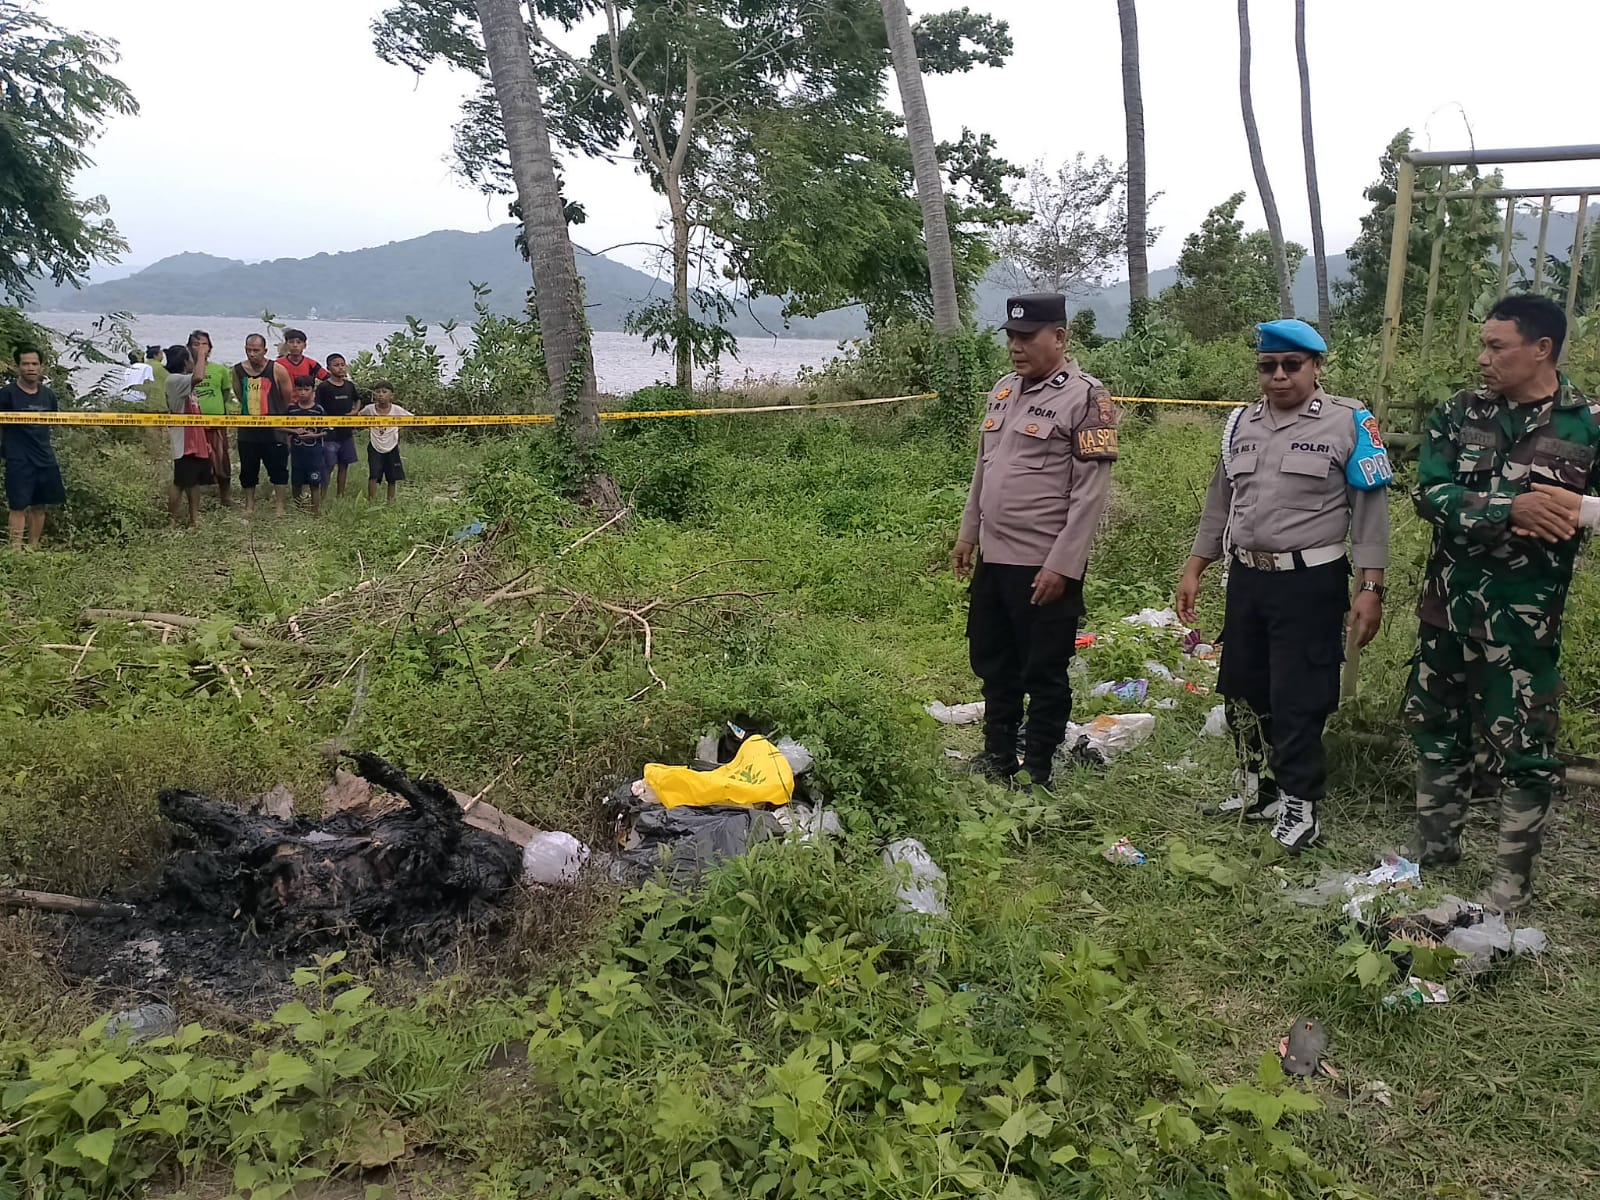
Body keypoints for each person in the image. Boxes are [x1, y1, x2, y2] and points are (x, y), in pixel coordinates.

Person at [1405, 294, 1600, 912]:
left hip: (1524, 622)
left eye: (1497, 347)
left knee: (1526, 748)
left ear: (1540, 348)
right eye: (1482, 345)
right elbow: (1428, 492)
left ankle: (1510, 881)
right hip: (1448, 606)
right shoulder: (1460, 413)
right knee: (1436, 728)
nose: (1483, 358)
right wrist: (1505, 507)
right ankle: (1432, 851)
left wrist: (1580, 509)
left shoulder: (1587, 424)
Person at [1176, 320, 1392, 852]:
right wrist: (1196, 563)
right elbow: (1220, 502)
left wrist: (1371, 585)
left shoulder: (1349, 423)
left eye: (1291, 365)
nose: (1278, 376)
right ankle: (1256, 787)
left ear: (1317, 367)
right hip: (1248, 577)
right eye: (1268, 366)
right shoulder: (1241, 425)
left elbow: (1370, 511)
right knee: (1242, 688)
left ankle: (1300, 803)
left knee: (1298, 697)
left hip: (1310, 581)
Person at [951, 294, 1119, 790]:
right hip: (995, 557)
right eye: (1011, 337)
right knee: (993, 658)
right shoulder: (1003, 392)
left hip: (1044, 562)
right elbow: (984, 471)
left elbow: (1090, 495)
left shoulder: (1087, 398)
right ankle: (998, 752)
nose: (1016, 347)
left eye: (1027, 338)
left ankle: (1038, 765)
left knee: (1044, 669)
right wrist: (968, 533)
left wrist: (1063, 566)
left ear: (1060, 338)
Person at [0, 346, 65, 549]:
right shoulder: (7, 394)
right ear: (16, 366)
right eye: (25, 364)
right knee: (18, 506)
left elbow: (52, 423)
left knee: (40, 506)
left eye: (34, 364)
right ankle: (15, 551)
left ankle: (33, 547)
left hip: (45, 457)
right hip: (18, 458)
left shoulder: (48, 395)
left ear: (41, 367)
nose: (30, 368)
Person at [234, 334, 295, 517]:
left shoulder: (277, 369)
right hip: (248, 430)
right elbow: (239, 394)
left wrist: (276, 416)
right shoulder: (238, 370)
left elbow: (287, 397)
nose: (252, 354)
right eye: (248, 350)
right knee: (248, 469)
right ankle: (249, 506)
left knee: (278, 468)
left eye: (256, 350)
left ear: (265, 351)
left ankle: (280, 506)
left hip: (274, 430)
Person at [163, 346, 213, 529]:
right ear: (185, 361)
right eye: (191, 359)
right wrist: (201, 353)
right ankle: (171, 521)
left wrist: (205, 441)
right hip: (184, 441)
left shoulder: (184, 382)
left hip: (195, 440)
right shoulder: (175, 380)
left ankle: (194, 519)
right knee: (180, 482)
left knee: (194, 483)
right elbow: (199, 376)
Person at [187, 330, 235, 506]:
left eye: (204, 344)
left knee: (221, 460)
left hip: (216, 421)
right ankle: (196, 502)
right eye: (196, 344)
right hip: (192, 424)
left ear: (210, 347)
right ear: (189, 347)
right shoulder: (185, 372)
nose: (200, 348)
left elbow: (225, 393)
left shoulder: (219, 370)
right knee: (194, 461)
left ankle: (225, 497)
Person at [315, 353, 360, 500]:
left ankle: (340, 495)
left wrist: (354, 412)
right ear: (328, 368)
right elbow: (317, 407)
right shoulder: (324, 387)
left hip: (346, 434)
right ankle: (322, 496)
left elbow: (357, 400)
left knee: (344, 465)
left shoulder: (349, 386)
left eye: (342, 364)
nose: (340, 368)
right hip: (329, 435)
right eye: (336, 365)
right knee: (328, 466)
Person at [359, 381, 410, 503]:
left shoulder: (397, 410)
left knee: (392, 478)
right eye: (378, 392)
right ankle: (372, 502)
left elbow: (412, 419)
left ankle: (390, 502)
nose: (381, 395)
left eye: (384, 392)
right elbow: (358, 417)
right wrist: (368, 426)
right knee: (373, 475)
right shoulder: (370, 409)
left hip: (392, 446)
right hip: (374, 446)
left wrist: (397, 427)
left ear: (391, 395)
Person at [287, 376, 326, 516]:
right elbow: (278, 425)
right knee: (296, 483)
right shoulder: (291, 410)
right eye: (299, 389)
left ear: (312, 390)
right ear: (295, 390)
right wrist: (293, 431)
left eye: (306, 389)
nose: (303, 392)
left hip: (314, 454)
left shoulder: (319, 410)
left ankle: (315, 512)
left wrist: (313, 436)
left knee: (314, 483)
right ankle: (299, 510)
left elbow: (328, 431)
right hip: (297, 453)